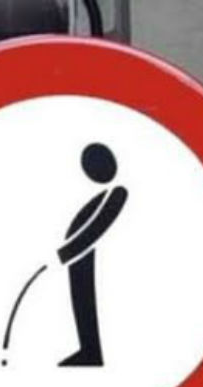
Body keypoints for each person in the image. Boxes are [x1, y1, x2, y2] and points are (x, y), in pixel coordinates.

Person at [57, 143, 128, 367]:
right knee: (81, 304)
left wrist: (65, 252)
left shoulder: (117, 193)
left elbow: (96, 228)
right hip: (80, 264)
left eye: (90, 165)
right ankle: (87, 350)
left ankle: (91, 351)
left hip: (87, 263)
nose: (88, 170)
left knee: (87, 305)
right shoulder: (99, 195)